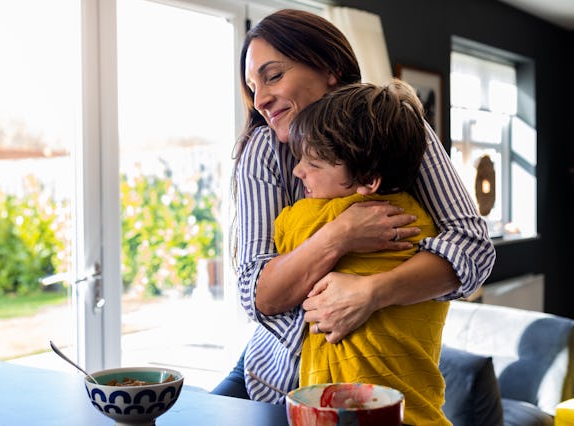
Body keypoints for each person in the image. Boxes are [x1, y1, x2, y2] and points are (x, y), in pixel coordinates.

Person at [211, 8, 495, 405]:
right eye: (252, 85)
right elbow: (257, 295)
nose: (260, 99)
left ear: (328, 68)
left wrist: (371, 292)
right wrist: (341, 235)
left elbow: (474, 248)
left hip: (373, 389)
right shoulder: (262, 151)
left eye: (273, 75)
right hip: (273, 381)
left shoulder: (397, 128)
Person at [275, 80, 449, 425]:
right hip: (418, 411)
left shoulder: (316, 218)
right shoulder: (426, 225)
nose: (298, 171)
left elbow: (279, 240)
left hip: (347, 413)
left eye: (314, 163)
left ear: (369, 180)